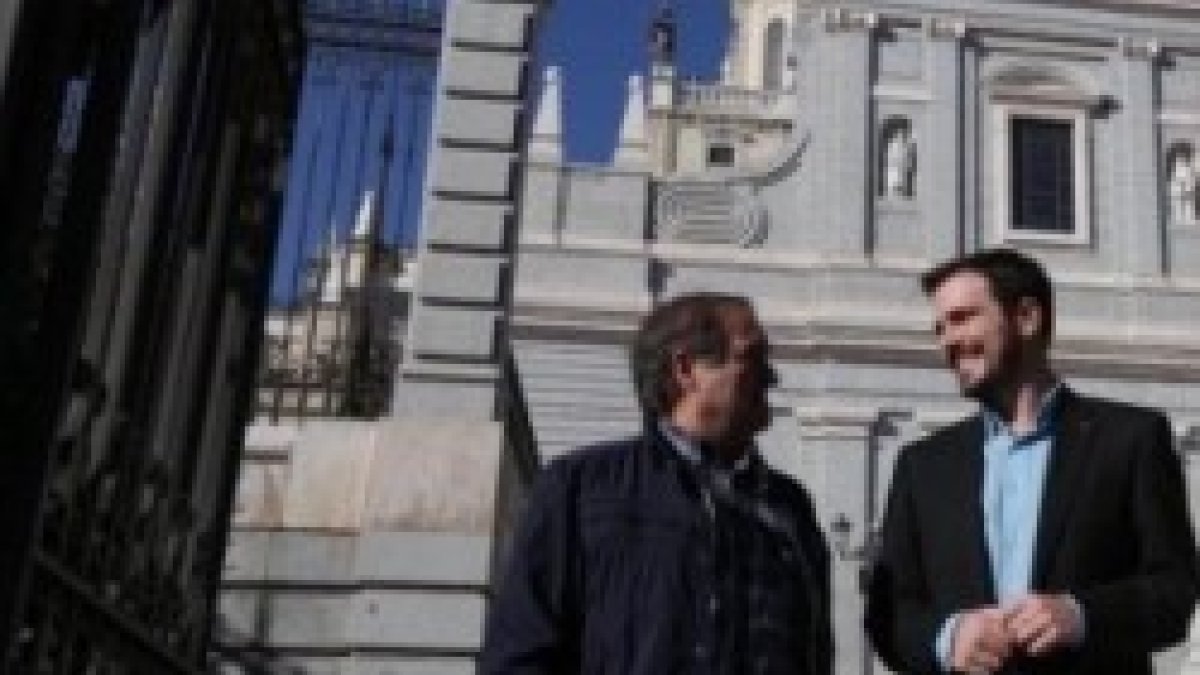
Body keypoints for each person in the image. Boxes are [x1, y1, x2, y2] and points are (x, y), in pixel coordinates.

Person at [865, 248, 1199, 674]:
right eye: (940, 328)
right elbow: (889, 613)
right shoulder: (923, 467)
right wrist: (950, 637)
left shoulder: (1130, 440)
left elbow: (1174, 592)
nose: (947, 341)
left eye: (963, 318)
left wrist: (1080, 616)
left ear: (1026, 317)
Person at [481, 293, 833, 675]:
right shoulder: (581, 490)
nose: (772, 376)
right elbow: (520, 651)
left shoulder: (790, 508)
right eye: (751, 358)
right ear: (685, 369)